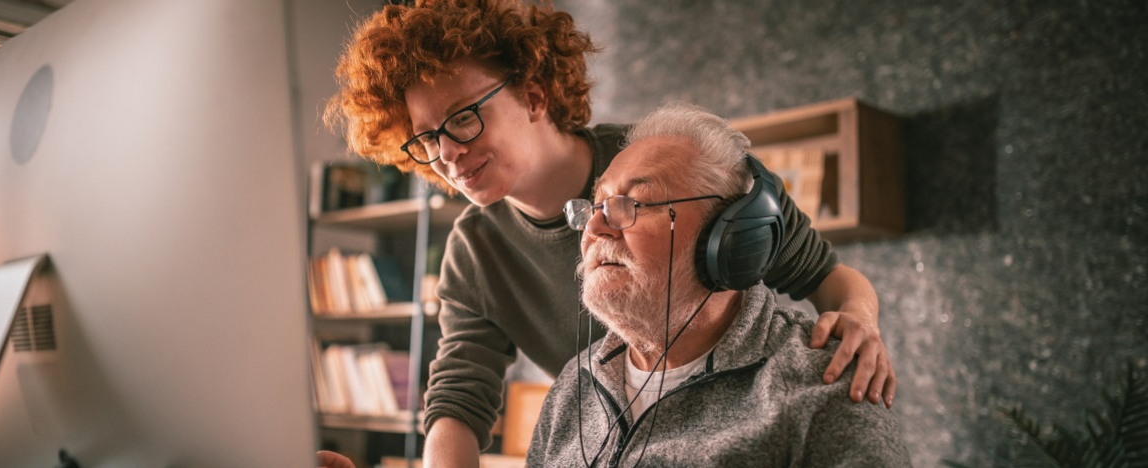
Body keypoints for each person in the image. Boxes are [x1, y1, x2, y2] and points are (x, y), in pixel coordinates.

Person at [322, 0, 896, 465]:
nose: (445, 153)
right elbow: (457, 399)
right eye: (426, 138)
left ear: (535, 95)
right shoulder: (475, 251)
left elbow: (826, 275)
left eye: (464, 117)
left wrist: (859, 326)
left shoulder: (668, 161)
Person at [526, 102, 911, 466]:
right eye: (597, 205)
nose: (594, 227)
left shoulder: (824, 387)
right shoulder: (572, 388)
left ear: (728, 240)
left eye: (634, 203)